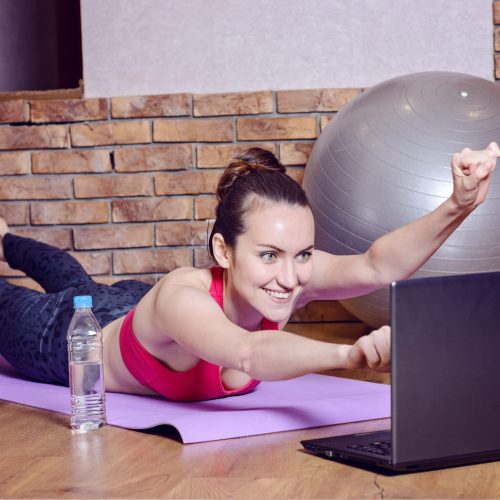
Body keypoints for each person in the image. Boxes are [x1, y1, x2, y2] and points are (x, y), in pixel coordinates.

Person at [0, 143, 498, 401]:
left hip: (126, 302)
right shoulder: (180, 294)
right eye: (268, 255)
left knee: (76, 279)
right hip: (59, 335)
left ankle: (3, 237)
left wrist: (460, 204)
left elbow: (376, 264)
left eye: (303, 253)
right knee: (56, 293)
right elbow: (250, 352)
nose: (290, 276)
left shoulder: (289, 278)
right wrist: (350, 354)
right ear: (224, 250)